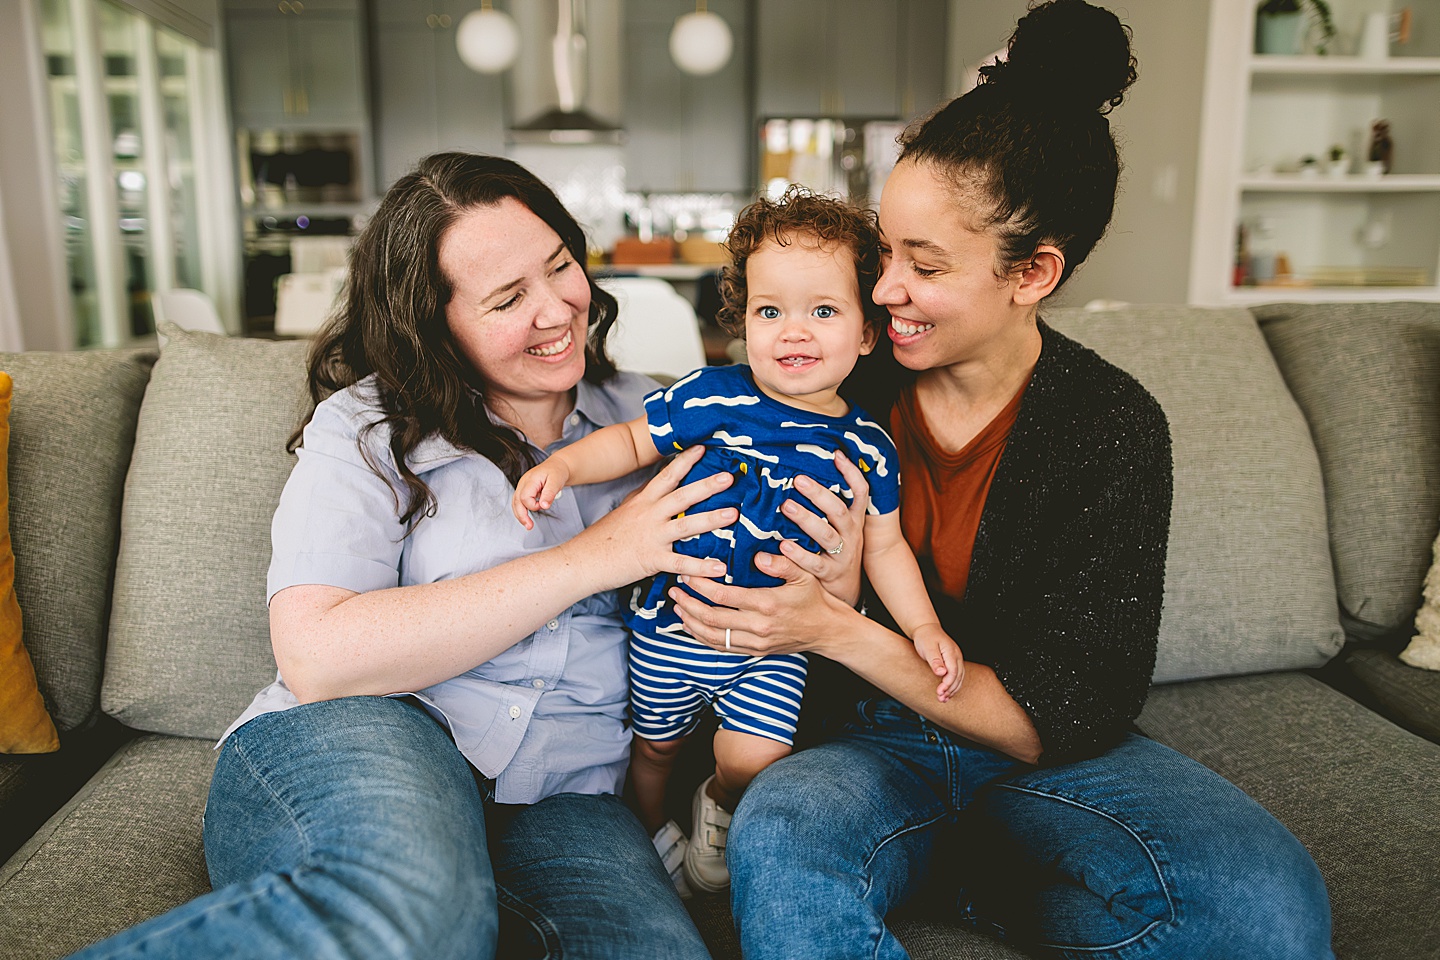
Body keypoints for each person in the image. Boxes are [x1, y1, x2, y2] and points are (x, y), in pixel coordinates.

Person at [664, 2, 1336, 958]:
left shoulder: (1110, 425)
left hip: (1043, 758)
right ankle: (986, 883)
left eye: (923, 265)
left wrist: (836, 625)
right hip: (863, 745)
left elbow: (1059, 714)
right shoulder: (840, 373)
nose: (883, 289)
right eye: (883, 250)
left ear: (1033, 273)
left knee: (1269, 904)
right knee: (785, 842)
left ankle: (981, 884)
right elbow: (707, 448)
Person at [66, 153, 737, 960]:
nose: (558, 309)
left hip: (568, 794)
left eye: (560, 265)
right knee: (413, 916)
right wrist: (597, 556)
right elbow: (317, 654)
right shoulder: (368, 429)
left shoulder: (661, 418)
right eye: (507, 299)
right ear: (436, 323)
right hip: (373, 731)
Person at [510, 190, 963, 896]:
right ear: (741, 323)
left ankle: (718, 803)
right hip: (671, 623)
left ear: (868, 333)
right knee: (654, 748)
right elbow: (631, 440)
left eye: (823, 310)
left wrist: (924, 626)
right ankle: (652, 824)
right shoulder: (711, 397)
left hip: (774, 645)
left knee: (758, 757)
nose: (793, 332)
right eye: (769, 311)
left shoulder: (869, 445)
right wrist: (564, 465)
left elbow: (885, 549)